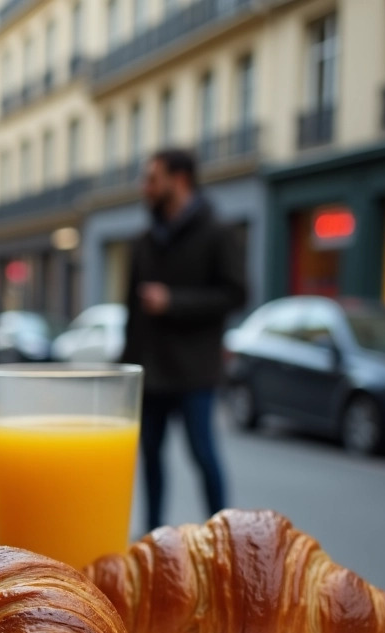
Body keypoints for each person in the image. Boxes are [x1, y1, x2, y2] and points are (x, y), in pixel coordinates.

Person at [121, 148, 247, 531]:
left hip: (195, 370)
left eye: (152, 179)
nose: (146, 188)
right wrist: (126, 368)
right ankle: (152, 538)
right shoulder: (144, 239)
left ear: (179, 180)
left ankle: (221, 540)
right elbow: (132, 310)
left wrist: (174, 301)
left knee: (204, 456)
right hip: (152, 371)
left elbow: (236, 294)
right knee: (151, 460)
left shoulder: (217, 232)